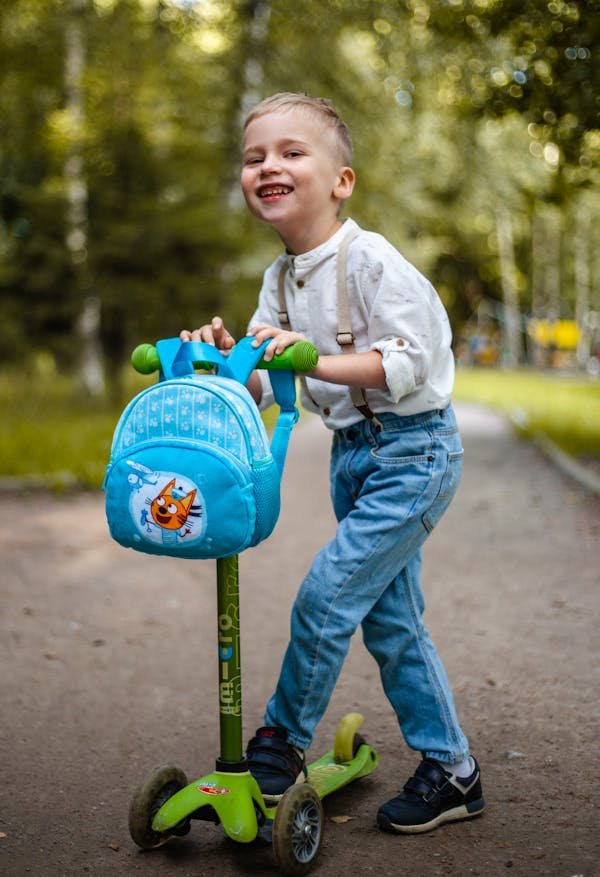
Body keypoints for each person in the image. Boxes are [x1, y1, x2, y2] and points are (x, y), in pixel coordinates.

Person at [180, 92, 484, 834]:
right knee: (391, 623)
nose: (268, 167)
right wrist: (226, 358)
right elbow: (259, 382)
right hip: (355, 458)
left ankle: (281, 739)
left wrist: (319, 357)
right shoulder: (279, 280)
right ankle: (454, 771)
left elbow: (410, 364)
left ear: (341, 181)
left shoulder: (372, 261)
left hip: (414, 452)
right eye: (255, 158)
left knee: (326, 593)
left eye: (290, 152)